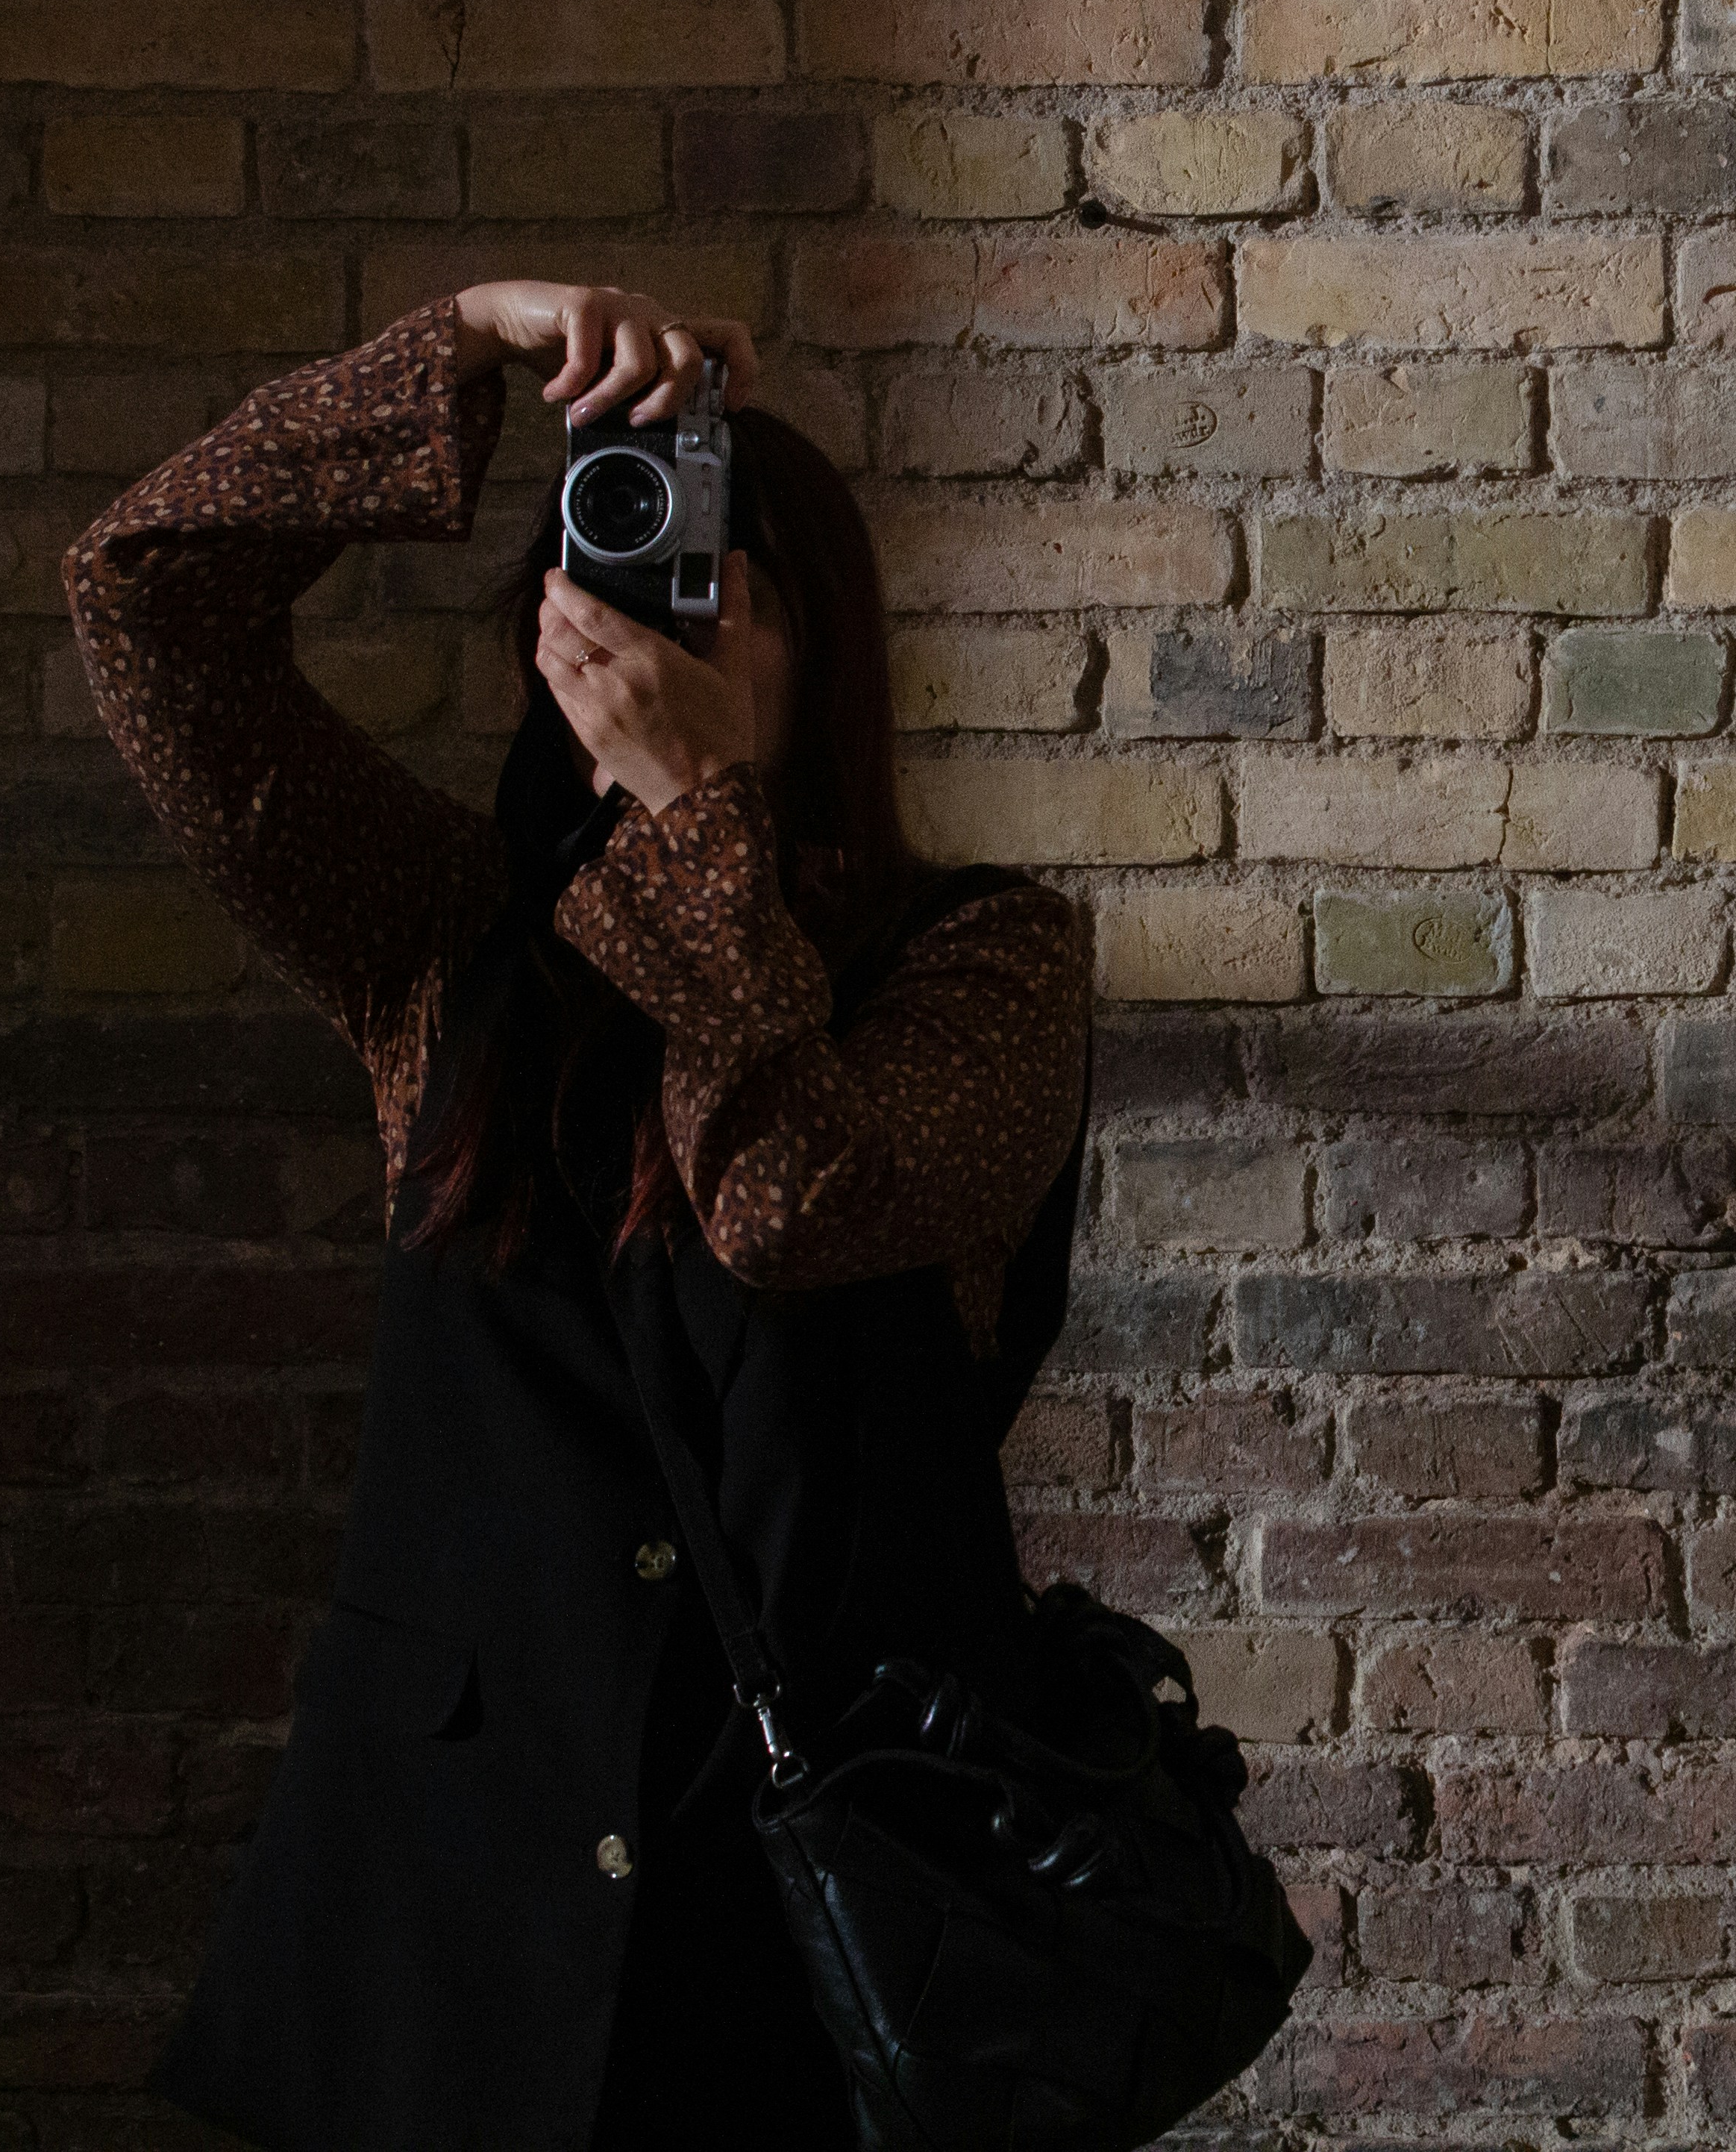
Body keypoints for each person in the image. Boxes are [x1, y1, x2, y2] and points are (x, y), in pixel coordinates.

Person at [59, 281, 1094, 2151]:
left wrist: (697, 815)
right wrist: (458, 340)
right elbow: (143, 607)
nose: (665, 622)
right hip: (450, 1901)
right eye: (623, 568)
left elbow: (787, 1199)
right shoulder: (446, 947)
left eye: (726, 585)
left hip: (815, 1918)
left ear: (828, 645)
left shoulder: (987, 966)